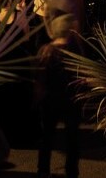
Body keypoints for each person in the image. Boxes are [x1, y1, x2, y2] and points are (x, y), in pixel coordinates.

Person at [35, 14, 83, 178]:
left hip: (50, 100)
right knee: (72, 138)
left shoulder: (46, 51)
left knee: (47, 137)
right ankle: (71, 170)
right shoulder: (74, 51)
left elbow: (39, 78)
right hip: (70, 100)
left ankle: (43, 169)